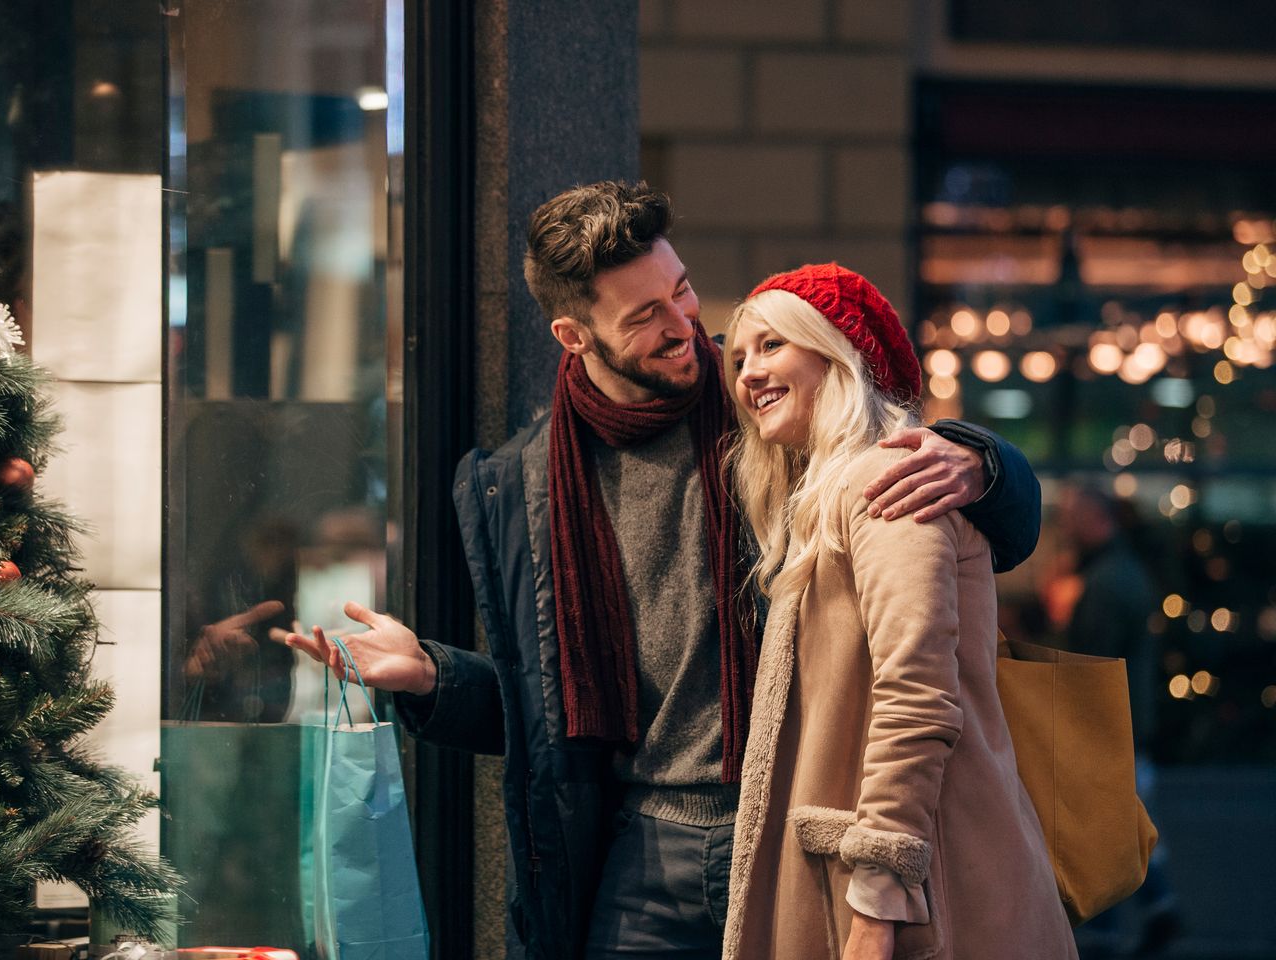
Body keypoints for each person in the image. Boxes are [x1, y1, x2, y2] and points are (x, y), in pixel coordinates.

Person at [283, 182, 1043, 960]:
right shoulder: (520, 483)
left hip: (789, 823)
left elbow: (943, 533)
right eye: (644, 317)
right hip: (642, 851)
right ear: (574, 335)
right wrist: (432, 679)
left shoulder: (770, 407)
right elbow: (550, 714)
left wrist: (983, 463)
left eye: (681, 294)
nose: (684, 327)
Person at [720, 264, 1074, 960]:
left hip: (918, 895)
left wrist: (878, 904)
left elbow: (915, 692)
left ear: (834, 351)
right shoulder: (831, 491)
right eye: (737, 358)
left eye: (771, 346)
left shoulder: (886, 479)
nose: (747, 374)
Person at [1056, 484, 1179, 958]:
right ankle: (1160, 910)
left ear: (1094, 517)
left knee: (1103, 833)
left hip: (1107, 725)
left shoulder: (1105, 582)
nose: (1065, 526)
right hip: (1123, 722)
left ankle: (1106, 933)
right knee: (1119, 825)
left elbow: (1088, 662)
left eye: (1070, 515)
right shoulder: (1120, 572)